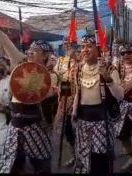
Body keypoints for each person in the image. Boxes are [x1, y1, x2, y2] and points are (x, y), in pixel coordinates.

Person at [0, 14, 55, 174]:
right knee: (11, 166)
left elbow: (47, 98)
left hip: (36, 126)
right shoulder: (20, 63)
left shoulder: (51, 76)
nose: (31, 52)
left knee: (42, 166)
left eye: (36, 51)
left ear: (46, 56)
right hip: (15, 125)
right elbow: (4, 41)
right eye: (30, 49)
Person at [71, 34, 124, 175]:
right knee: (83, 157)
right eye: (83, 47)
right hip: (83, 121)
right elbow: (78, 92)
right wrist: (74, 111)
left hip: (102, 121)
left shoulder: (109, 69)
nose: (85, 50)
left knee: (100, 159)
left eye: (89, 46)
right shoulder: (79, 70)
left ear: (98, 49)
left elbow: (120, 95)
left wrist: (108, 79)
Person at [114, 44, 132, 173]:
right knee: (123, 134)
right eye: (123, 53)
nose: (126, 55)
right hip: (123, 105)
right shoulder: (118, 67)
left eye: (128, 52)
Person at [54, 37, 79, 167]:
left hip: (77, 99)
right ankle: (74, 155)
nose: (67, 46)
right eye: (65, 44)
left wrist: (75, 58)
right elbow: (57, 78)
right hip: (63, 98)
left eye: (69, 44)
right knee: (64, 130)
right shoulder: (60, 60)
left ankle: (82, 156)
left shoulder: (80, 59)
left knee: (78, 130)